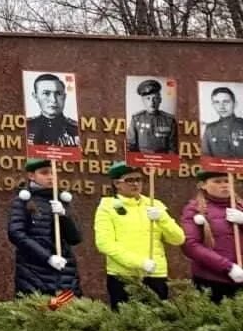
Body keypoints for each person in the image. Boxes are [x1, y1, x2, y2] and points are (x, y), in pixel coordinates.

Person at [95, 162, 184, 308]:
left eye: (139, 179)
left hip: (155, 274)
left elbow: (178, 239)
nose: (136, 184)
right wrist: (140, 262)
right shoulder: (107, 206)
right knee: (125, 325)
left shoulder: (155, 204)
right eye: (130, 180)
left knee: (158, 323)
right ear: (117, 183)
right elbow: (105, 243)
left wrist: (163, 218)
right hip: (124, 276)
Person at [8, 158, 83, 297]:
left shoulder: (61, 200)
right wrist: (47, 257)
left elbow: (75, 238)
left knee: (67, 315)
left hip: (65, 274)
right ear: (31, 176)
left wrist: (64, 215)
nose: (51, 177)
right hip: (34, 274)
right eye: (45, 173)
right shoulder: (23, 201)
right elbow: (16, 233)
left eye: (53, 173)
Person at [180, 169, 243, 303]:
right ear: (203, 185)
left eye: (227, 181)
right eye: (217, 181)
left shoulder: (240, 207)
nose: (224, 185)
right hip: (212, 280)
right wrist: (228, 267)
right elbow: (190, 245)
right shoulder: (194, 209)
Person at [25, 73, 79, 150]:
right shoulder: (26, 127)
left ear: (64, 97)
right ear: (35, 97)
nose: (53, 100)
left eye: (58, 94)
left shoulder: (76, 129)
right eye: (46, 93)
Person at [127, 79, 178, 156]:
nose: (152, 102)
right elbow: (131, 146)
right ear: (143, 101)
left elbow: (173, 149)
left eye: (155, 98)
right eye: (148, 99)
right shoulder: (136, 119)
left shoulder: (170, 120)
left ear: (160, 100)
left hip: (163, 162)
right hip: (141, 161)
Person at [206, 87, 243, 160]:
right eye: (217, 102)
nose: (221, 106)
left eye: (226, 102)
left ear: (235, 104)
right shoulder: (210, 129)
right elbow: (206, 157)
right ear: (213, 105)